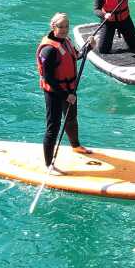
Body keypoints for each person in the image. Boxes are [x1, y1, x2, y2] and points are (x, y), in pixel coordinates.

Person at [36, 12, 94, 171]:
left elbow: (76, 56)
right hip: (55, 92)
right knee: (53, 127)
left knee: (71, 119)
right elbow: (48, 79)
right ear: (53, 27)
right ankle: (49, 164)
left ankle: (75, 145)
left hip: (69, 90)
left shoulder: (66, 41)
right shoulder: (48, 49)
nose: (64, 29)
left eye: (66, 26)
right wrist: (66, 95)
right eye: (60, 27)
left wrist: (88, 47)